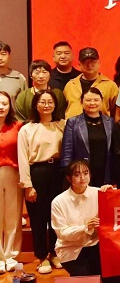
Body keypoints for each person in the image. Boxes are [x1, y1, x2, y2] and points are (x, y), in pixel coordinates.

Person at [17, 89, 65, 274]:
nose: (47, 105)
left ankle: (55, 252)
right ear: (36, 105)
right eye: (42, 102)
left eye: (50, 102)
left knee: (57, 215)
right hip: (38, 173)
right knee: (38, 217)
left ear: (55, 104)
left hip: (59, 173)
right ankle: (41, 256)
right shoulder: (27, 129)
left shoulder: (62, 125)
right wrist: (27, 185)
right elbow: (23, 158)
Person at [51, 160, 113, 276]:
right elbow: (62, 233)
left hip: (95, 245)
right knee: (86, 278)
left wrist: (112, 194)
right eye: (77, 174)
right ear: (69, 178)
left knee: (110, 274)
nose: (82, 177)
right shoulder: (58, 202)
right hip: (70, 249)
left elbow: (119, 209)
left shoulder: (99, 193)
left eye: (85, 173)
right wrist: (85, 227)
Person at [62, 87, 114, 187]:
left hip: (104, 172)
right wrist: (68, 174)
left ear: (102, 101)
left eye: (96, 100)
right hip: (81, 173)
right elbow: (67, 152)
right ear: (81, 102)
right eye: (88, 100)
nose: (92, 103)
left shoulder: (110, 122)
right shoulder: (73, 122)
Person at [0, 91, 22, 274]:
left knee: (13, 216)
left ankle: (11, 256)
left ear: (10, 106)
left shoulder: (18, 126)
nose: (1, 107)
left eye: (4, 103)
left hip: (13, 173)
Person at [63, 47, 119, 119]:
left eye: (92, 61)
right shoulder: (70, 85)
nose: (89, 65)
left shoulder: (110, 86)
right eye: (85, 62)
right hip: (72, 125)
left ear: (99, 63)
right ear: (79, 64)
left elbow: (117, 112)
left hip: (100, 125)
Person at [0, 41, 27, 106]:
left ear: (9, 56)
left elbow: (24, 105)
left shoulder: (18, 78)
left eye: (3, 54)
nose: (0, 58)